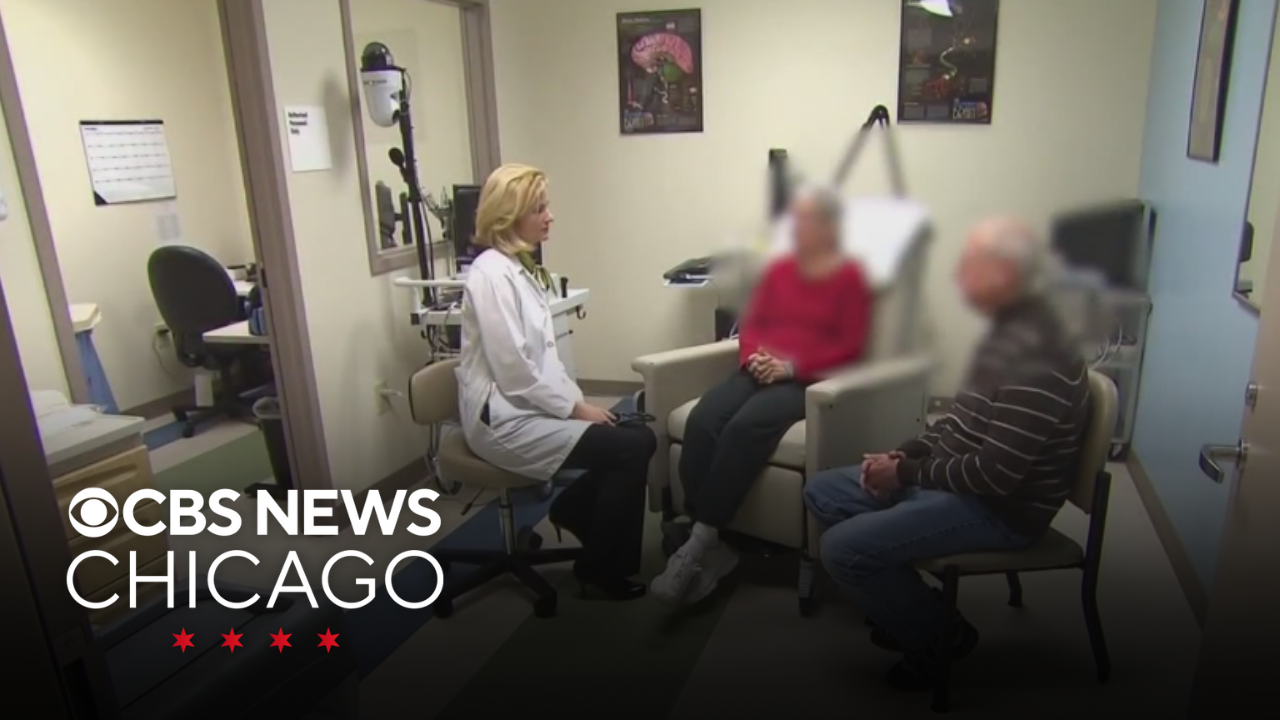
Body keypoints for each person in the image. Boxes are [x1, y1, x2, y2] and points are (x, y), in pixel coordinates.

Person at [803, 216, 1090, 690]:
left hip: (1001, 510)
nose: (959, 276)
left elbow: (996, 475)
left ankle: (938, 636)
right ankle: (907, 602)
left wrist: (906, 473)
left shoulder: (1039, 359)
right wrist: (905, 454)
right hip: (960, 485)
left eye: (972, 265)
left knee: (842, 550)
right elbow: (960, 423)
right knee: (823, 491)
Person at [650, 187, 874, 605]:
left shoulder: (851, 276)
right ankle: (715, 542)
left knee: (744, 427)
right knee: (703, 421)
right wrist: (754, 357)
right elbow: (752, 323)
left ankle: (699, 541)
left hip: (805, 378)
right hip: (760, 367)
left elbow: (851, 347)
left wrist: (790, 367)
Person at [456, 163, 655, 602]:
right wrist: (575, 409)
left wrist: (576, 403)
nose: (550, 216)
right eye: (539, 209)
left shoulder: (518, 268)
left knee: (635, 436)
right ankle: (600, 569)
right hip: (501, 421)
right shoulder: (490, 275)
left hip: (525, 406)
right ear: (509, 216)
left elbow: (544, 360)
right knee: (630, 447)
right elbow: (514, 371)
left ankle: (574, 511)